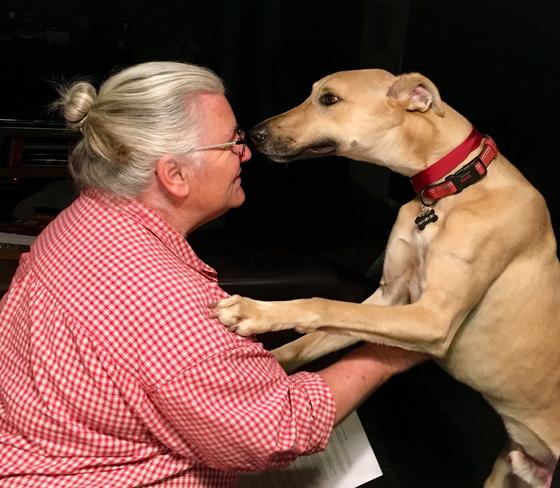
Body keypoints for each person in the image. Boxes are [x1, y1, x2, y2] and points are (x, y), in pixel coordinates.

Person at [0, 61, 427, 487]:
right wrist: (394, 351)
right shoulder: (165, 305)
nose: (245, 152)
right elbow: (281, 427)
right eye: (231, 143)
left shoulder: (83, 219)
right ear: (175, 175)